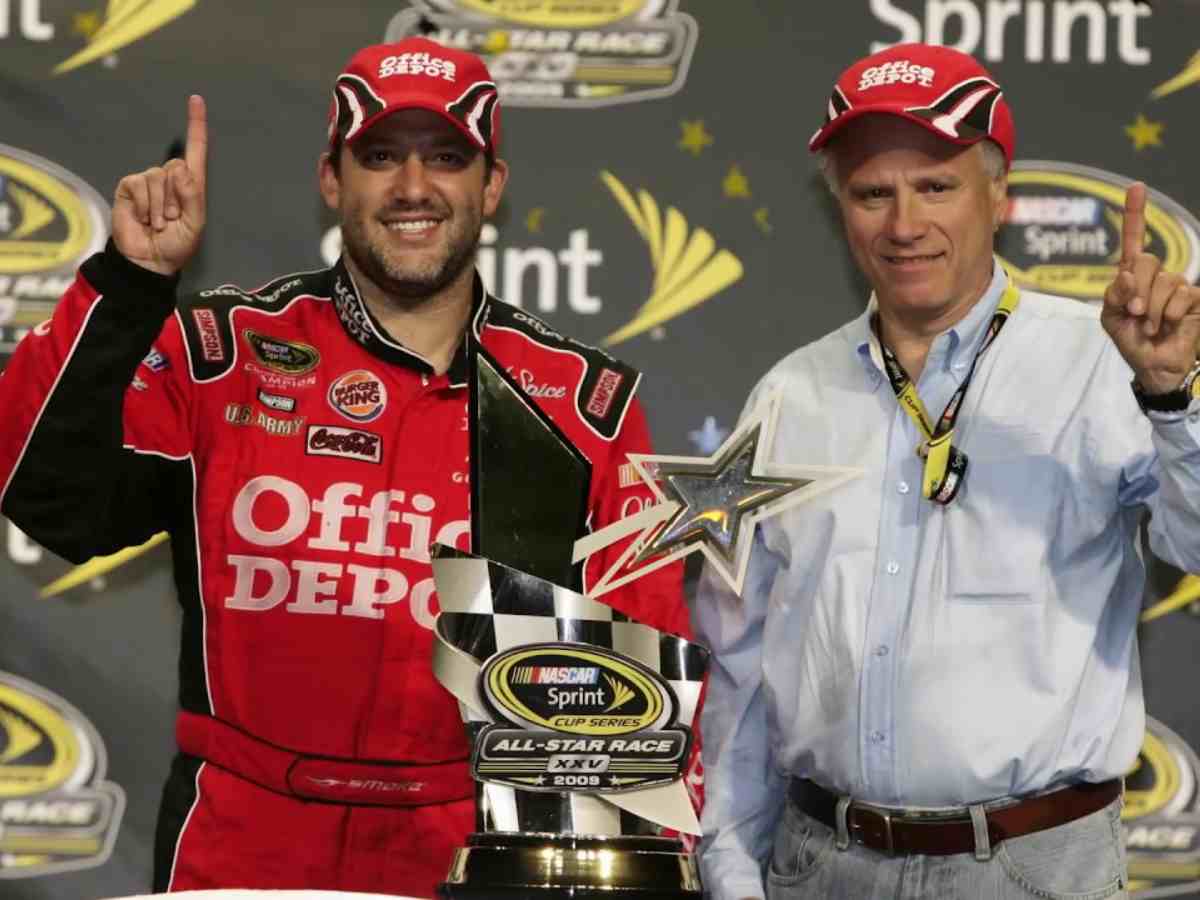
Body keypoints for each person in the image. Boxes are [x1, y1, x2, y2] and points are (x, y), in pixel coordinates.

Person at [0, 37, 691, 897]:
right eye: (378, 156)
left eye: (446, 158)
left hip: (471, 844)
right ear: (332, 179)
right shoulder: (223, 352)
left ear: (493, 188)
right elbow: (52, 502)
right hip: (242, 836)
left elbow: (642, 697)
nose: (412, 187)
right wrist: (128, 281)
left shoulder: (579, 401)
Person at [692, 42, 1200, 900]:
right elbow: (739, 665)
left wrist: (1169, 395)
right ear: (840, 209)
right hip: (819, 866)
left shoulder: (1100, 361)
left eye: (936, 185)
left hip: (1034, 870)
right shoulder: (789, 394)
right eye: (871, 193)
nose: (903, 224)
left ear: (998, 195)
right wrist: (732, 870)